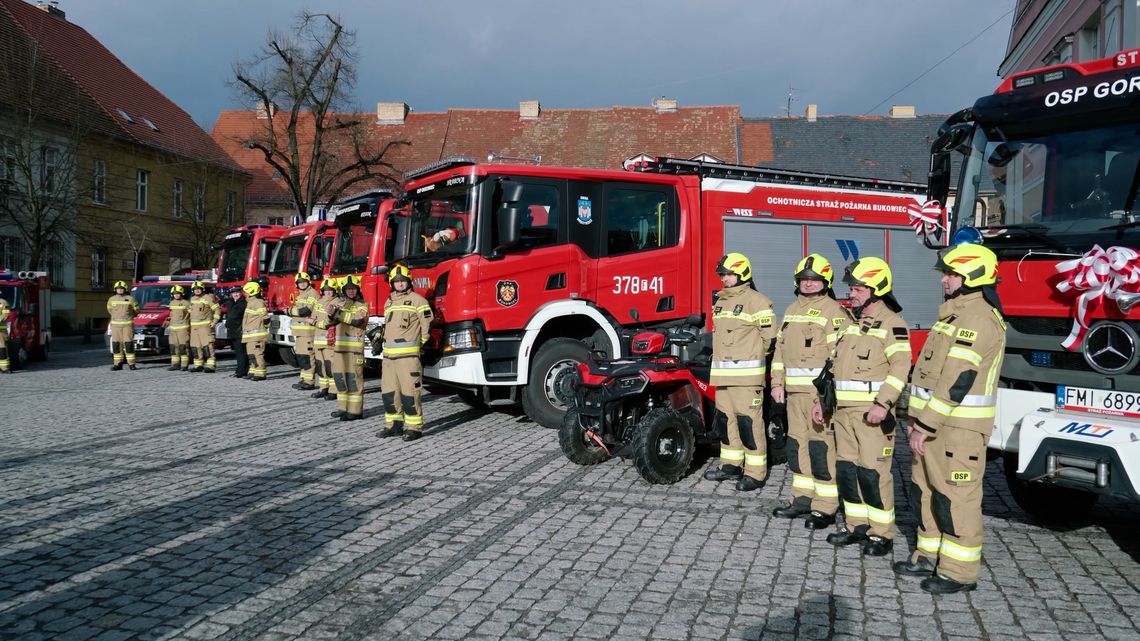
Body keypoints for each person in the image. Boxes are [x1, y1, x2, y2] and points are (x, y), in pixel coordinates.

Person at [895, 244, 1006, 595]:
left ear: (971, 276)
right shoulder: (953, 316)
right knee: (927, 490)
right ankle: (928, 554)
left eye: (951, 274)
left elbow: (956, 381)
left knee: (957, 496)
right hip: (934, 425)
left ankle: (958, 571)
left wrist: (925, 425)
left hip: (958, 430)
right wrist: (918, 419)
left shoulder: (977, 320)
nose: (944, 280)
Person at [818, 257, 911, 558]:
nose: (852, 293)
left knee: (873, 474)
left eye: (858, 288)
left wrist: (883, 404)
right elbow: (832, 371)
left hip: (872, 415)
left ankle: (881, 533)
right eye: (852, 287)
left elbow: (900, 369)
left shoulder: (893, 325)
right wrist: (822, 404)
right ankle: (856, 525)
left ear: (877, 288)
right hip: (843, 413)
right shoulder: (851, 326)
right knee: (847, 471)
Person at [771, 254, 851, 528]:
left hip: (818, 396)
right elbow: (780, 350)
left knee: (821, 449)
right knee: (796, 445)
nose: (808, 284)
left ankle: (825, 506)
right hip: (793, 394)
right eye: (804, 279)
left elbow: (838, 357)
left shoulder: (834, 312)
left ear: (825, 282)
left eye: (814, 279)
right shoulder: (792, 309)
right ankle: (802, 498)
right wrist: (777, 383)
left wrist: (826, 396)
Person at [703, 252, 777, 491]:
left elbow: (770, 339)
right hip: (723, 376)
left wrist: (751, 358)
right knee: (726, 422)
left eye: (729, 274)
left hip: (746, 377)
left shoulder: (758, 301)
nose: (724, 278)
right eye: (722, 274)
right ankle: (731, 465)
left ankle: (755, 473)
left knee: (749, 423)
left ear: (742, 274)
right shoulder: (721, 302)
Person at [377, 265, 433, 441]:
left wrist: (419, 344)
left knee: (410, 394)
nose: (400, 284)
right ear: (392, 283)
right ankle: (393, 425)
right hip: (388, 358)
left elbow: (427, 327)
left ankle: (413, 427)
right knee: (389, 393)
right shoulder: (389, 302)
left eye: (403, 281)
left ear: (409, 282)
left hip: (408, 358)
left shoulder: (419, 301)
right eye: (397, 281)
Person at [330, 275, 368, 420]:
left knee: (353, 380)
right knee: (340, 379)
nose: (351, 291)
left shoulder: (362, 305)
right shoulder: (340, 304)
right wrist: (330, 314)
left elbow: (357, 322)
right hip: (339, 349)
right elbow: (331, 321)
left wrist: (337, 314)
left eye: (353, 289)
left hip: (354, 351)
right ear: (343, 290)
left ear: (358, 289)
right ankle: (342, 408)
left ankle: (355, 411)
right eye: (348, 289)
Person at [289, 271, 319, 391]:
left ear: (308, 282)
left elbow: (305, 311)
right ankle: (304, 379)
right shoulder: (301, 295)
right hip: (300, 333)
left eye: (304, 282)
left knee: (308, 356)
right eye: (299, 282)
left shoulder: (312, 294)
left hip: (308, 332)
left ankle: (309, 382)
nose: (302, 284)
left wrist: (289, 311)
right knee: (302, 357)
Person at [310, 278, 338, 399]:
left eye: (330, 290)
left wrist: (315, 323)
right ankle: (323, 388)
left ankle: (334, 390)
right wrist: (313, 321)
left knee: (330, 366)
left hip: (329, 340)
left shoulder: (338, 302)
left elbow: (329, 322)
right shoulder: (319, 302)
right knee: (320, 366)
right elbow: (313, 317)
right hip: (318, 339)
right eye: (326, 290)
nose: (328, 292)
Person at [188, 280, 221, 373]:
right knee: (195, 346)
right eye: (195, 289)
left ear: (202, 289)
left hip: (205, 326)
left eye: (199, 289)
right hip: (194, 328)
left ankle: (210, 365)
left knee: (207, 346)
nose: (197, 291)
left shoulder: (208, 298)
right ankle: (198, 365)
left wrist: (214, 321)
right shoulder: (192, 299)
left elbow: (217, 309)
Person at [107, 280, 139, 370]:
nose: (120, 290)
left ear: (125, 289)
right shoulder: (111, 299)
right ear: (115, 289)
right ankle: (118, 364)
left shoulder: (130, 299)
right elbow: (110, 310)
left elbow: (137, 310)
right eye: (118, 289)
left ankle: (131, 364)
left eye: (121, 289)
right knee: (116, 345)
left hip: (127, 326)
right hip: (115, 326)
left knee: (128, 344)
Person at [241, 281, 269, 381]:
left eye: (246, 292)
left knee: (257, 354)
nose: (244, 293)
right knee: (251, 354)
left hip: (257, 335)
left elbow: (265, 318)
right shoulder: (251, 302)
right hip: (250, 335)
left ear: (251, 292)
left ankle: (260, 373)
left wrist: (264, 328)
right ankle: (253, 371)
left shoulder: (258, 302)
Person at [225, 288, 249, 378]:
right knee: (238, 352)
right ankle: (240, 370)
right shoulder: (231, 302)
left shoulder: (243, 303)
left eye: (237, 292)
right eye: (234, 293)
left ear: (241, 293)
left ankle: (242, 371)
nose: (236, 294)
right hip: (232, 331)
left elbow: (236, 316)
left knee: (241, 352)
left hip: (239, 330)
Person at [167, 285, 191, 371]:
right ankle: (175, 364)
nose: (176, 295)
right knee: (173, 347)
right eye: (174, 294)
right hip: (173, 329)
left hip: (183, 329)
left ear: (182, 294)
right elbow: (171, 315)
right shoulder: (171, 303)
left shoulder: (186, 303)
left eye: (178, 294)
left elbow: (191, 314)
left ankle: (184, 365)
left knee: (183, 347)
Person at [0, 295, 10, 373]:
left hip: (1, 331)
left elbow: (6, 314)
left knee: (3, 349)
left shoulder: (4, 302)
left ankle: (4, 368)